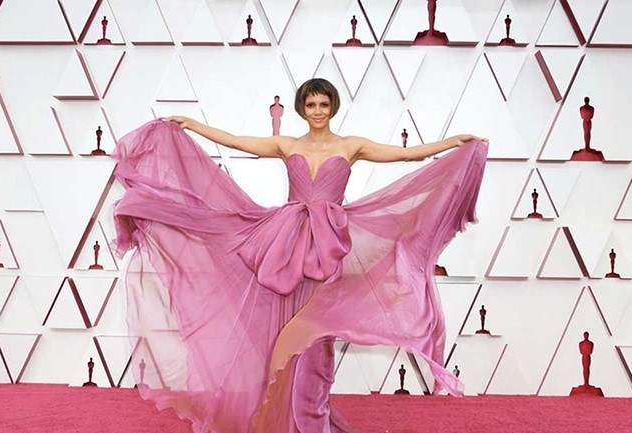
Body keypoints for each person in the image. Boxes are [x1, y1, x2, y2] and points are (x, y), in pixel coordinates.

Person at [111, 78, 488, 433]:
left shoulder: (351, 145)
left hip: (326, 245)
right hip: (287, 241)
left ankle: (310, 416)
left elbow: (404, 155)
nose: (317, 111)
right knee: (282, 330)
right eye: (311, 105)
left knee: (314, 336)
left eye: (323, 104)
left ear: (333, 107)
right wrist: (194, 125)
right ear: (301, 108)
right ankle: (279, 418)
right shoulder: (287, 144)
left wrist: (450, 142)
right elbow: (238, 141)